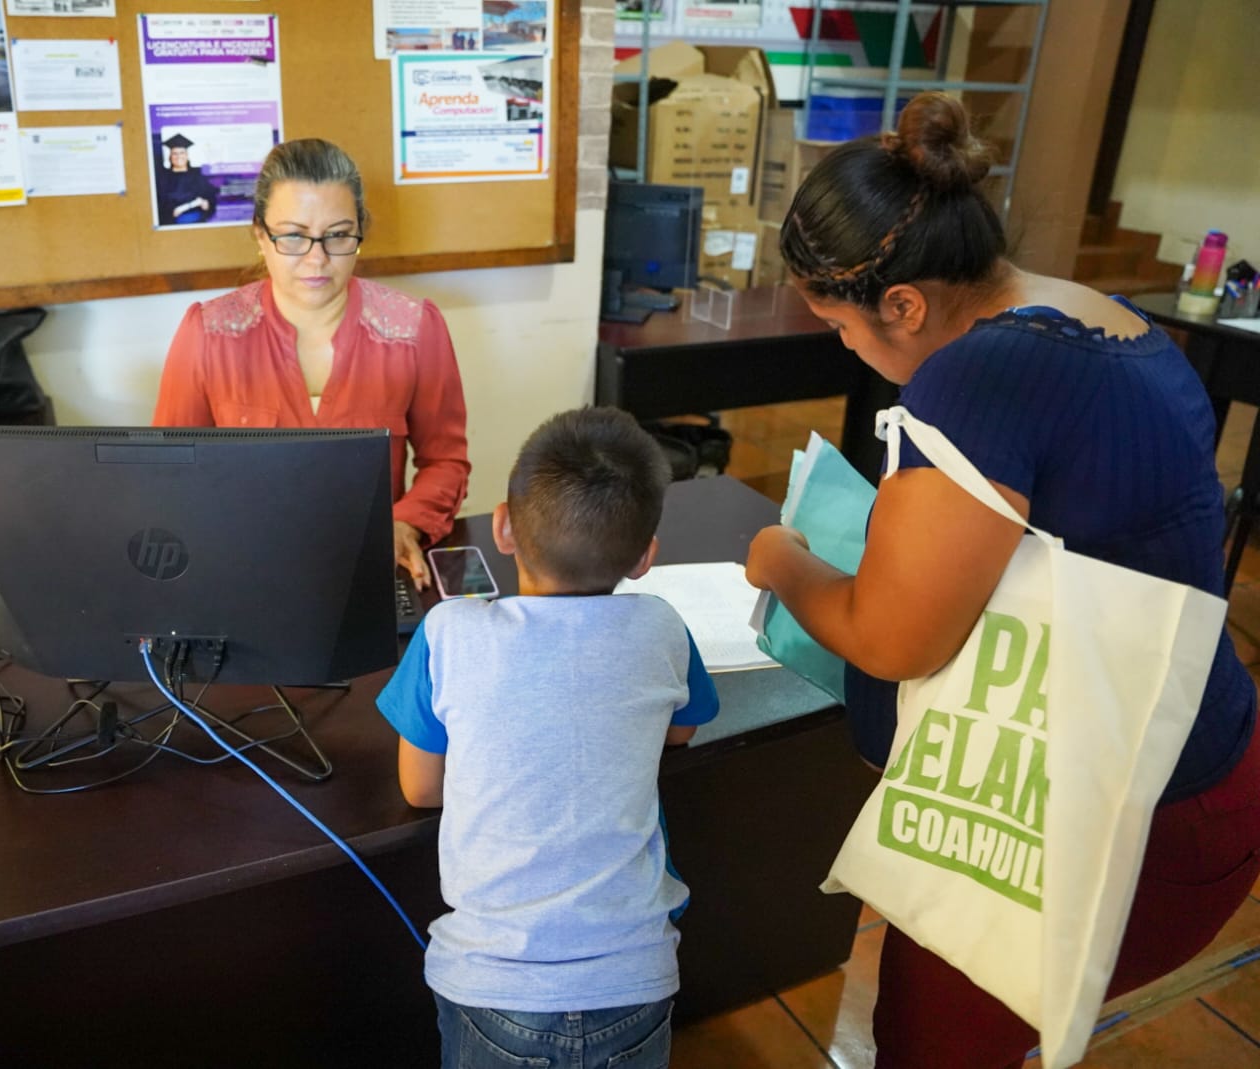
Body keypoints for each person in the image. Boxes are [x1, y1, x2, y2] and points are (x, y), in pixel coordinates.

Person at [744, 92, 1260, 1069]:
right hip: (1213, 762)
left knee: (932, 1045)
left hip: (1111, 821)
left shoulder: (974, 379)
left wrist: (787, 563)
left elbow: (897, 639)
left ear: (901, 304)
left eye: (841, 328)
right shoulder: (1098, 313)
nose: (848, 351)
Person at [377, 406, 720, 1069]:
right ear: (646, 557)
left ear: (503, 525)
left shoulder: (450, 630)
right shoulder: (661, 627)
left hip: (494, 984)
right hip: (636, 979)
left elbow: (421, 788)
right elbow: (681, 731)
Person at [153, 138, 469, 587]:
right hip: (243, 575)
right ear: (261, 235)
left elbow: (447, 462)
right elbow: (169, 474)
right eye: (295, 236)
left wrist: (404, 524)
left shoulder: (414, 330)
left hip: (371, 573)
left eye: (337, 235)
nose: (317, 258)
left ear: (360, 233)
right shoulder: (209, 334)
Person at [154, 133, 219, 226]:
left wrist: (207, 204)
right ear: (170, 157)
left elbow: (209, 197)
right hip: (171, 224)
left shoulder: (197, 175)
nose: (179, 156)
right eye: (175, 153)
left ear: (187, 156)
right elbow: (160, 203)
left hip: (197, 223)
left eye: (182, 153)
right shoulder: (163, 178)